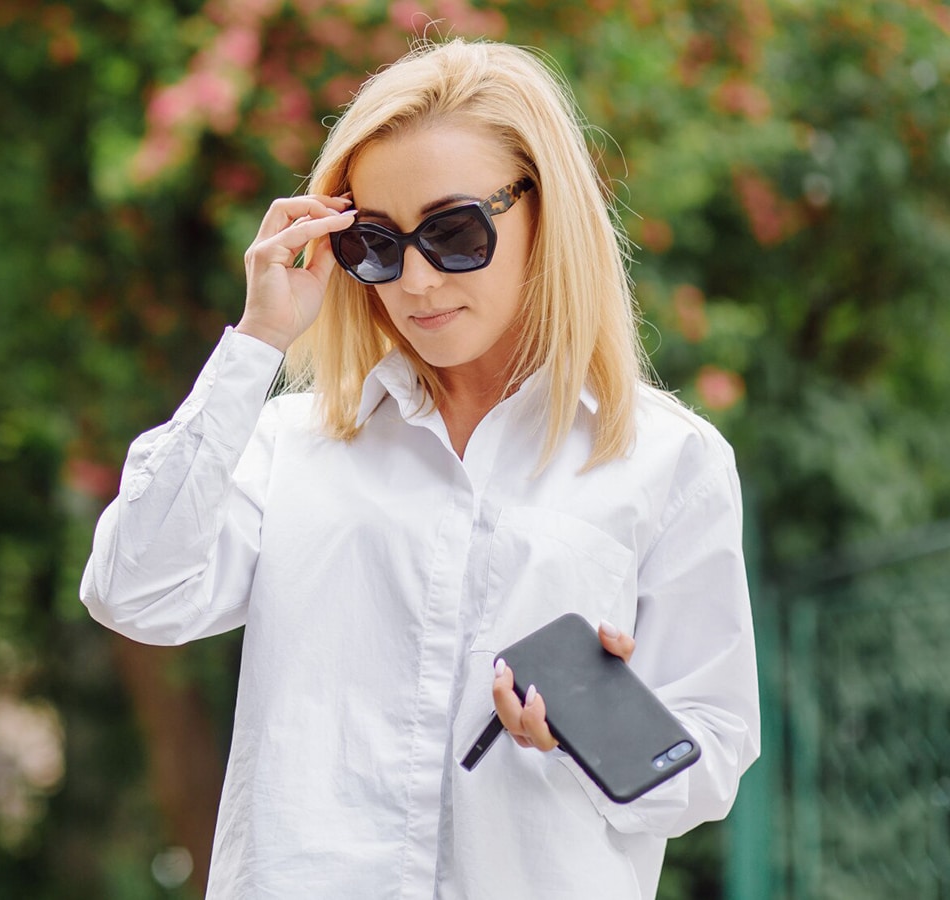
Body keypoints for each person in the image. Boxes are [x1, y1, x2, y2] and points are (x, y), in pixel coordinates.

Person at [80, 38, 759, 899]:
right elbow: (132, 591)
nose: (418, 279)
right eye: (377, 244)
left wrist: (593, 729)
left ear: (542, 212)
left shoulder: (669, 462)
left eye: (454, 230)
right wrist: (257, 341)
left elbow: (712, 758)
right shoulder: (292, 444)